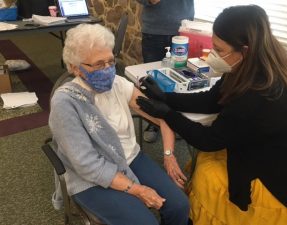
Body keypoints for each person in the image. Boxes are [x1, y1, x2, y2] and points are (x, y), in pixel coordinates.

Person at [136, 5, 287, 225]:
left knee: (207, 176)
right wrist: (166, 96)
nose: (213, 55)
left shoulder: (259, 93)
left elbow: (209, 140)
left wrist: (168, 115)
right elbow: (211, 100)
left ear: (245, 50)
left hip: (276, 176)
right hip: (258, 147)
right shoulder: (244, 68)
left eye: (220, 50)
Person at [49, 23, 190, 225]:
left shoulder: (118, 84)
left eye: (110, 61)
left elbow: (161, 116)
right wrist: (137, 190)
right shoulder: (65, 103)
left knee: (180, 206)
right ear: (74, 68)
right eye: (98, 64)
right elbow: (86, 164)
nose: (107, 69)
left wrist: (168, 155)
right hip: (90, 176)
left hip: (130, 158)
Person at [137, 0, 194, 143]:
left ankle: (178, 120)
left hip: (184, 28)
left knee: (182, 77)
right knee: (152, 80)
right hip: (154, 31)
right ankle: (154, 122)